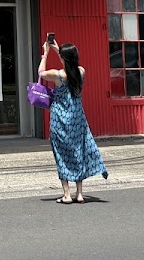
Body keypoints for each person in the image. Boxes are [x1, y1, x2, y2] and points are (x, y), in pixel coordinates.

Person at [38, 37, 107, 204]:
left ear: (63, 58)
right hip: (77, 119)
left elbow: (41, 73)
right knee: (78, 152)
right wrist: (59, 50)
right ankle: (80, 194)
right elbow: (70, 63)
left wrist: (45, 54)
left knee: (62, 154)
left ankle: (67, 194)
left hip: (60, 120)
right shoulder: (81, 72)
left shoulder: (57, 75)